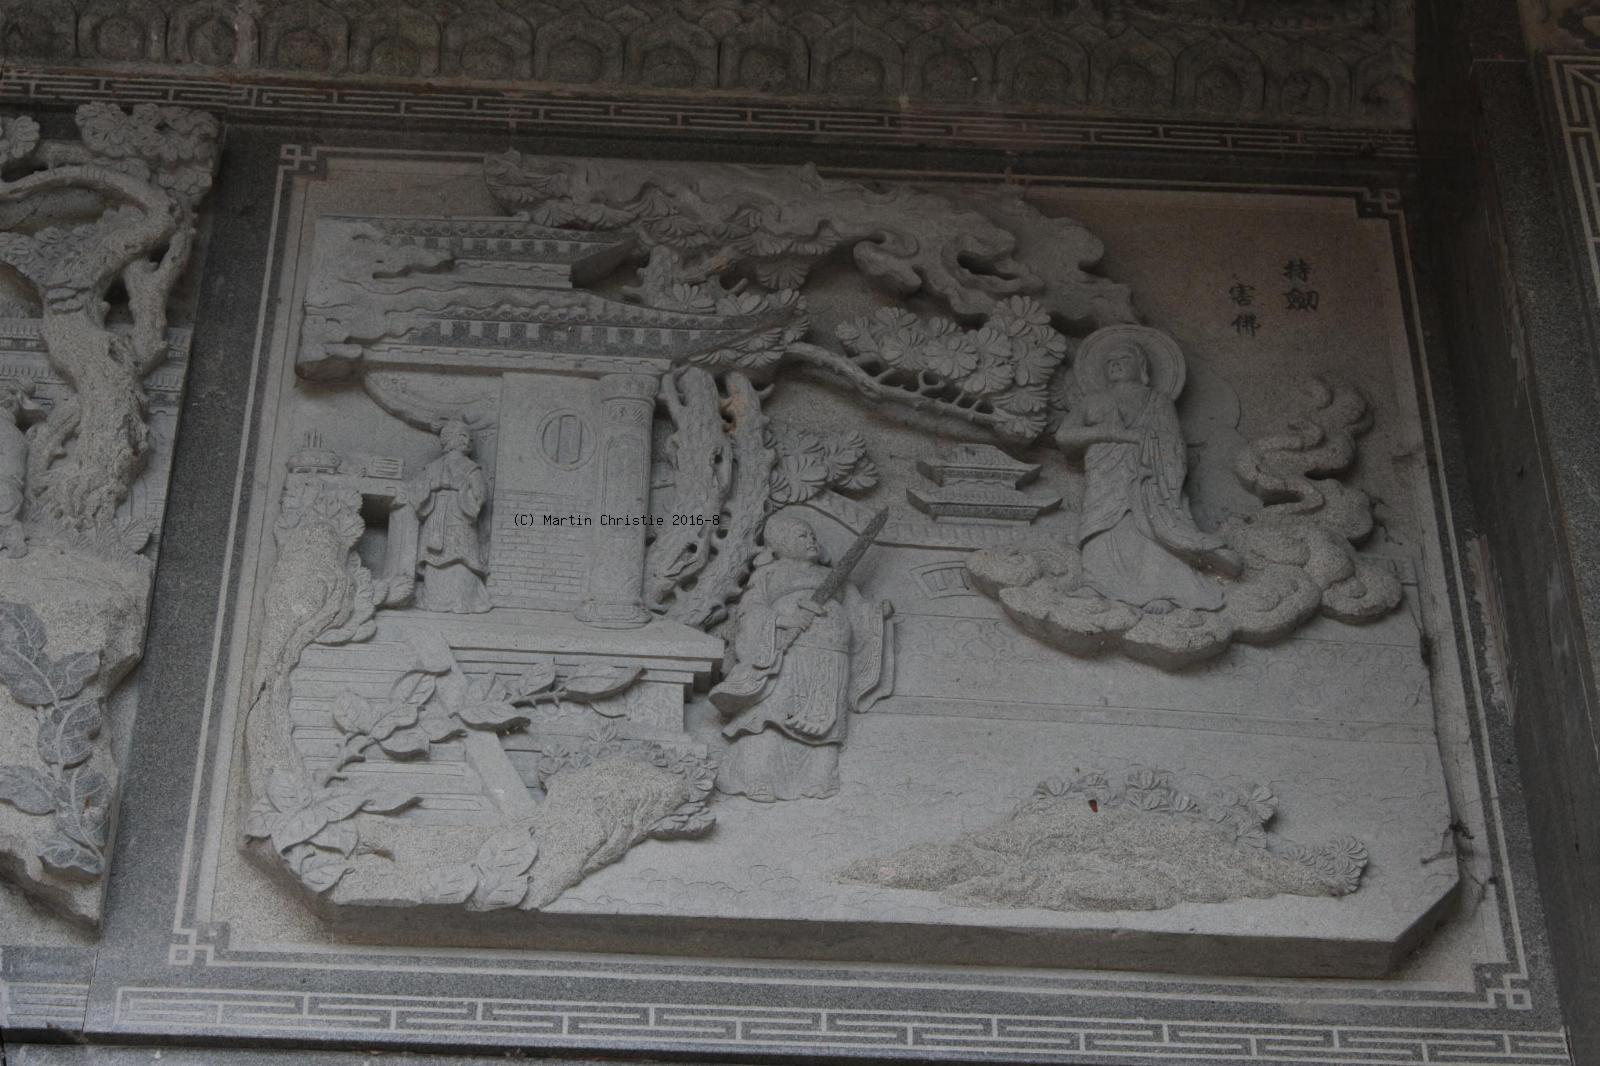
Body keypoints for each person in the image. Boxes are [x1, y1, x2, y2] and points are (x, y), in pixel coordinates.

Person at [1054, 326, 1239, 613]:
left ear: (1141, 366)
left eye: (1124, 358)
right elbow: (1064, 436)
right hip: (1105, 477)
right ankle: (1096, 584)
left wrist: (1147, 451)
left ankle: (1158, 590)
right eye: (1110, 361)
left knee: (1148, 527)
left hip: (1148, 478)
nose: (1115, 364)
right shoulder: (1092, 401)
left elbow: (1172, 444)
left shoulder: (1158, 401)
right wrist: (1108, 433)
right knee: (1101, 528)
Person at [710, 513, 893, 802]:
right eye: (802, 535)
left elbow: (857, 608)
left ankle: (821, 778)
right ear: (780, 544)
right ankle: (756, 776)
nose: (811, 540)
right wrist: (782, 621)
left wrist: (874, 616)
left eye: (812, 536)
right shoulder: (770, 574)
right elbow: (749, 611)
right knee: (773, 714)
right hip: (788, 653)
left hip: (831, 658)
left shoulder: (833, 578)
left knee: (827, 720)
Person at [408, 419, 490, 613]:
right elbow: (416, 492)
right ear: (452, 439)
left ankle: (458, 601)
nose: (468, 441)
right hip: (442, 520)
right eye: (464, 436)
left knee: (459, 559)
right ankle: (443, 601)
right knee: (441, 560)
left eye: (469, 438)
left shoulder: (468, 468)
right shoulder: (437, 468)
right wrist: (437, 488)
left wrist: (455, 490)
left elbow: (480, 496)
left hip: (455, 519)